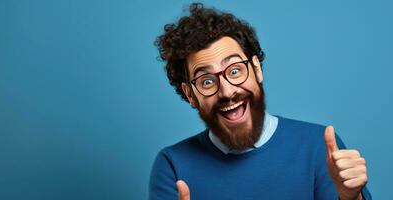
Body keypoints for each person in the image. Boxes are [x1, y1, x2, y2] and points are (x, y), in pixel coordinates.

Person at [150, 3, 371, 200]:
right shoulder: (173, 165)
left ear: (256, 69)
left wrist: (351, 199)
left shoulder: (319, 147)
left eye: (235, 70)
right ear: (191, 95)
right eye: (207, 81)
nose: (227, 92)